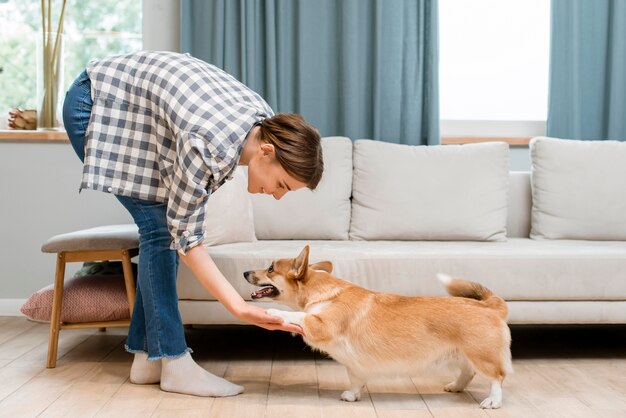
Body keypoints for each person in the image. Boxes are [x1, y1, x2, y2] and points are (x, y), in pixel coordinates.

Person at [62, 51, 323, 397]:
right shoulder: (209, 145)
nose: (276, 196)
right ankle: (174, 362)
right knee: (160, 231)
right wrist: (240, 307)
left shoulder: (264, 125)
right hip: (97, 103)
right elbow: (185, 239)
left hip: (138, 113)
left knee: (161, 227)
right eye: (282, 186)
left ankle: (147, 357)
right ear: (267, 152)